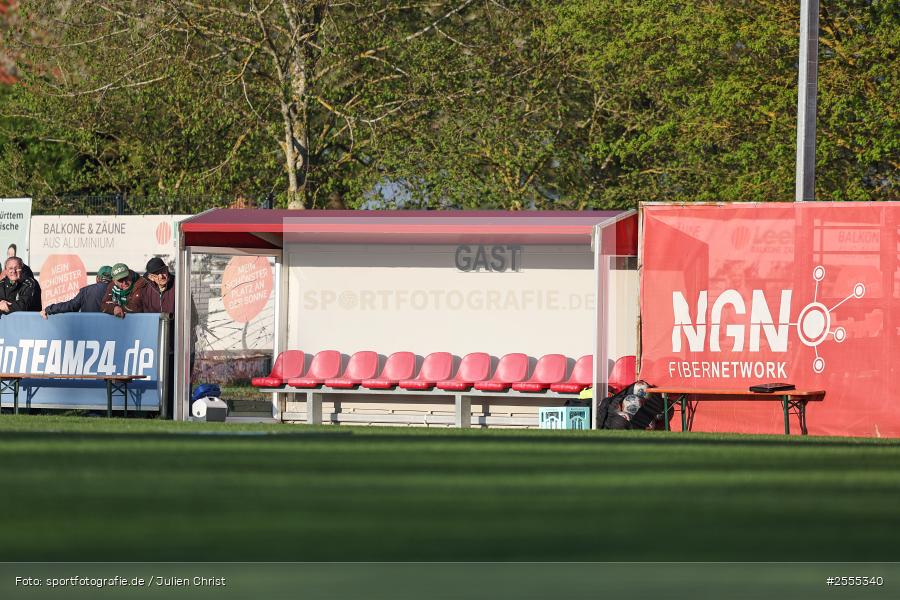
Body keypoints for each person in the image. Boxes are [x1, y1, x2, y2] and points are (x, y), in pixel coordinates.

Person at [41, 265, 113, 318]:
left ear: (97, 278)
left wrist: (49, 309)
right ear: (113, 279)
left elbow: (70, 306)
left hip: (89, 331)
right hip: (112, 332)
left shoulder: (85, 291)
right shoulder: (117, 291)